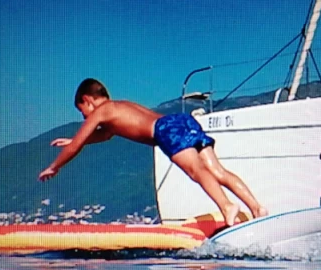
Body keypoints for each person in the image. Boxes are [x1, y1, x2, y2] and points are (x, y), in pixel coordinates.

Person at [39, 78, 268, 226]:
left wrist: (54, 166)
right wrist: (74, 140)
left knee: (195, 170)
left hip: (165, 130)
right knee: (217, 170)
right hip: (181, 121)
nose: (85, 118)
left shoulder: (103, 111)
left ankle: (226, 206)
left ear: (88, 100)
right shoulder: (122, 105)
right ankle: (257, 208)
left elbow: (76, 145)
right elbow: (105, 135)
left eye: (83, 112)